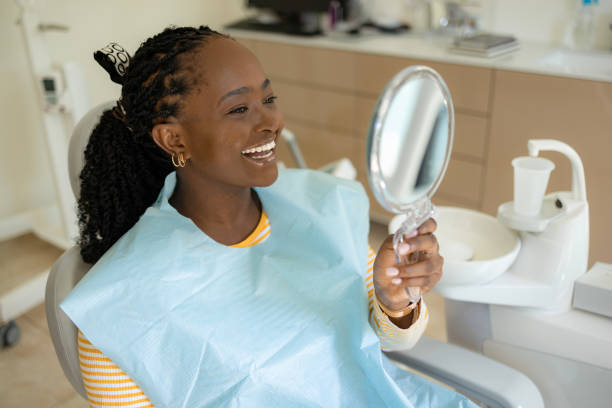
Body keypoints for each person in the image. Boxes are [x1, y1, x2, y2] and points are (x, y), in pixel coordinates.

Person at [61, 26, 475, 407]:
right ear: (174, 138)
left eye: (269, 99)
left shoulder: (320, 208)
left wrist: (395, 299)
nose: (272, 122)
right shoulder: (120, 308)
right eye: (239, 109)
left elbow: (386, 341)